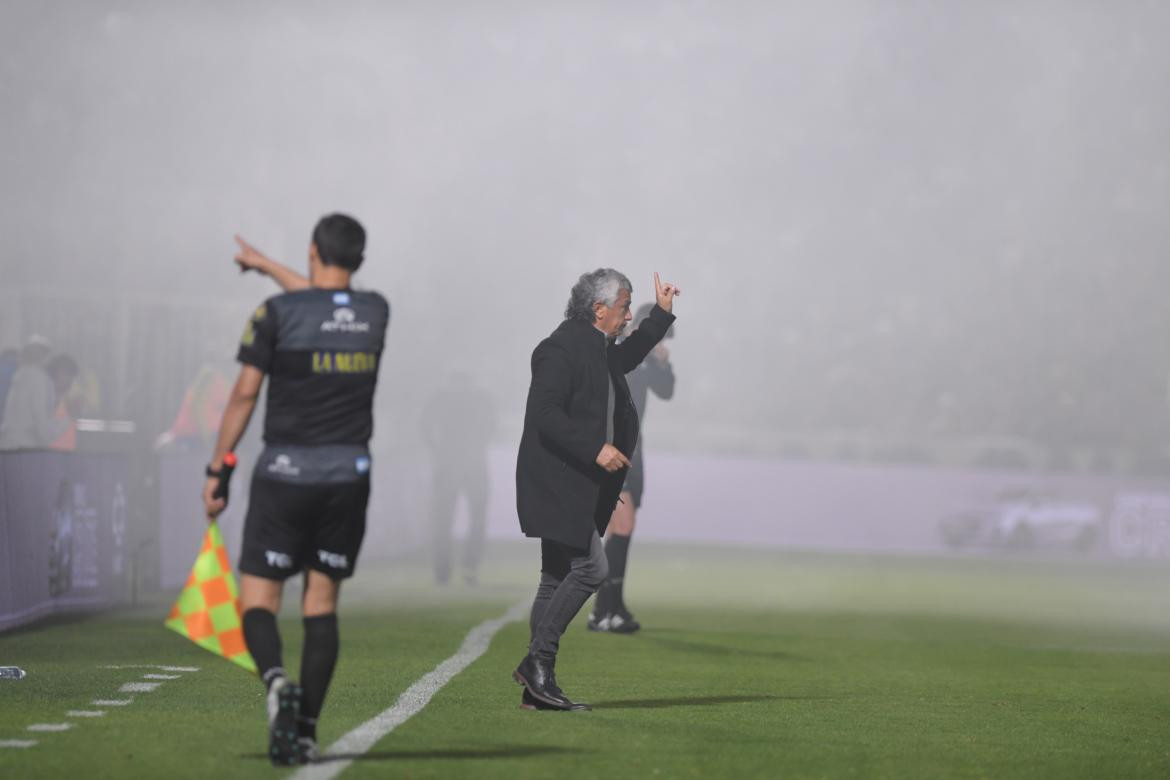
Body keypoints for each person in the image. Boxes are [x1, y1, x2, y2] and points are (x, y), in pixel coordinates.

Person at [203, 215, 389, 765]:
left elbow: (242, 396)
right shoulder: (375, 311)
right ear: (359, 260)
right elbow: (327, 302)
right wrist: (266, 267)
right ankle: (305, 731)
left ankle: (278, 682)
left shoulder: (275, 313)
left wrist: (220, 469)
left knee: (258, 600)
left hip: (283, 474)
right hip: (347, 478)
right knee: (321, 604)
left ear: (312, 250)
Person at [513, 269, 680, 711]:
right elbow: (544, 414)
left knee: (553, 580)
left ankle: (538, 687)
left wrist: (660, 314)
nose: (627, 316)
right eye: (624, 308)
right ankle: (538, 663)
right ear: (598, 308)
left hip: (575, 479)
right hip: (557, 480)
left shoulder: (599, 347)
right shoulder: (558, 349)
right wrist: (595, 448)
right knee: (591, 569)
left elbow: (630, 356)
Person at [589, 303, 675, 633]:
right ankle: (604, 609)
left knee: (623, 528)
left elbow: (665, 392)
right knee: (621, 527)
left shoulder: (648, 358)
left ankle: (609, 606)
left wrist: (663, 365)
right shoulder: (618, 351)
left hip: (634, 450)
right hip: (613, 448)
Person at [421, 371, 497, 586]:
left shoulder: (441, 398)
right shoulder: (480, 398)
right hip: (469, 464)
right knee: (473, 519)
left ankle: (443, 572)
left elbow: (425, 427)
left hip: (452, 464)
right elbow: (492, 427)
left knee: (445, 520)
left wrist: (439, 450)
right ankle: (467, 568)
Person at [0, 336, 69, 450]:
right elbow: (41, 424)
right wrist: (67, 419)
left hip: (7, 445)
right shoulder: (39, 379)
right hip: (26, 449)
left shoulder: (18, 377)